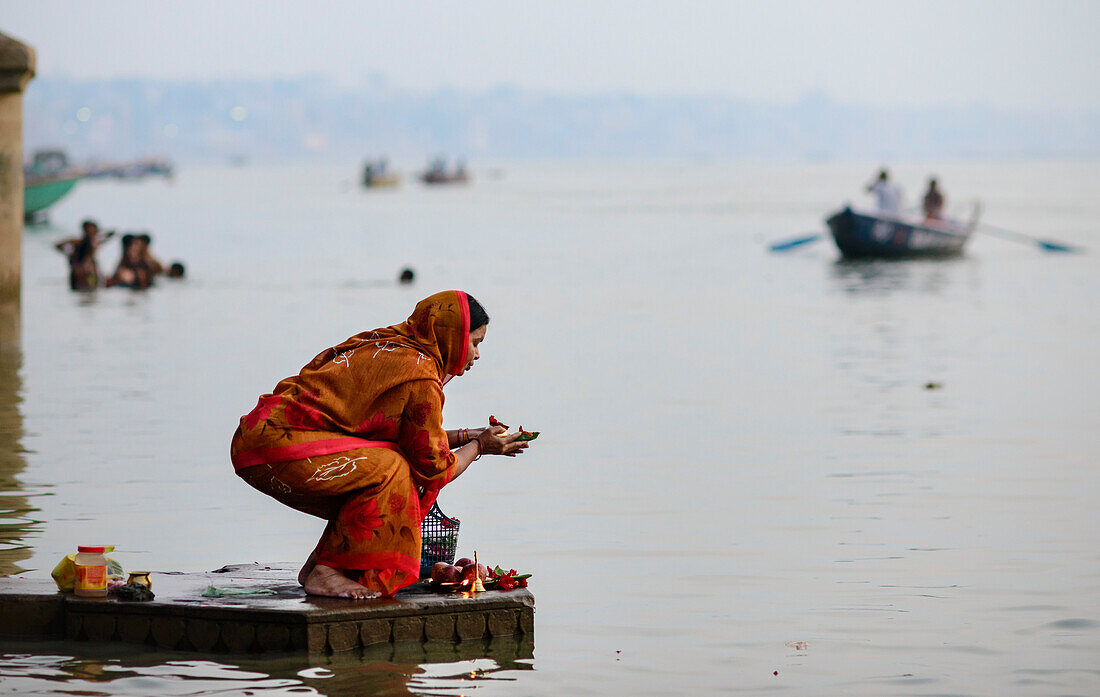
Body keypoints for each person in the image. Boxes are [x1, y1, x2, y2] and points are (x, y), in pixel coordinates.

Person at [230, 291, 531, 599]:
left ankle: (322, 566)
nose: (477, 355)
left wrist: (471, 435)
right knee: (394, 469)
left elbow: (408, 437)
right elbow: (433, 466)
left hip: (260, 439)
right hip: (274, 446)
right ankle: (327, 572)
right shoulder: (421, 378)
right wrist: (480, 447)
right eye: (476, 343)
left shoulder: (393, 346)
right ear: (452, 336)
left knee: (385, 463)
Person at [54, 220, 114, 291]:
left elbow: (111, 234)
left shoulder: (94, 242)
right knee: (90, 289)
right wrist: (69, 253)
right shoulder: (79, 242)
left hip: (88, 270)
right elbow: (57, 245)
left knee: (91, 290)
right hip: (84, 271)